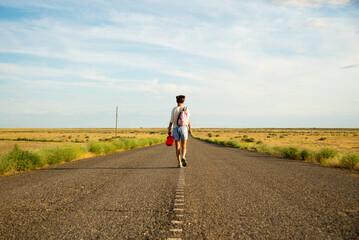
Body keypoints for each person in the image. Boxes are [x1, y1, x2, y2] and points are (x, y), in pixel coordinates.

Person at [168, 95, 192, 168]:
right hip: (184, 128)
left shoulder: (174, 109)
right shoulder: (186, 109)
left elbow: (171, 121)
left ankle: (179, 163)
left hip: (175, 128)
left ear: (176, 101)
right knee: (183, 145)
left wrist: (169, 129)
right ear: (183, 101)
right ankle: (183, 157)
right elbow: (188, 120)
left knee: (177, 146)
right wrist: (190, 128)